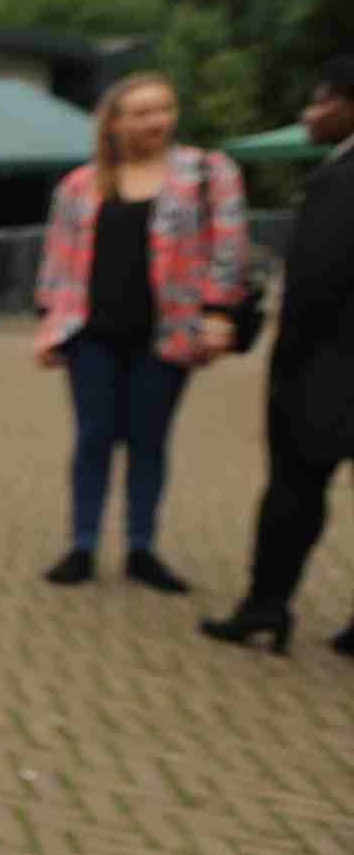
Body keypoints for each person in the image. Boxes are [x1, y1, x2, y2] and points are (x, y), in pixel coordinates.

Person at [29, 71, 247, 590]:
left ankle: (141, 548)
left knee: (149, 440)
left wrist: (219, 313)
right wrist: (49, 324)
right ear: (114, 122)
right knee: (93, 438)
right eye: (144, 112)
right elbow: (58, 257)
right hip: (90, 334)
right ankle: (82, 545)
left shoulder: (206, 173)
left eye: (165, 109)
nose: (158, 120)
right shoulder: (79, 185)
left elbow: (229, 245)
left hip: (167, 333)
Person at [203, 55, 354, 656]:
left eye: (321, 100)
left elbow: (318, 279)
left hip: (324, 370)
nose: (309, 114)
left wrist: (285, 360)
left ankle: (265, 607)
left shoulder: (342, 179)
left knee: (293, 490)